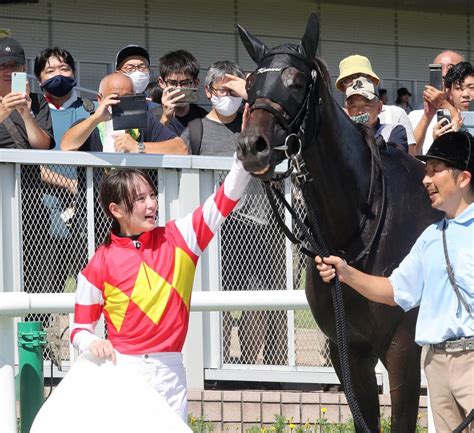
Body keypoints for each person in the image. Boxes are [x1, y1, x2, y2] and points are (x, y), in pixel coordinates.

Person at [70, 149, 251, 421]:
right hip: (124, 371)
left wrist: (243, 159)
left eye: (152, 195)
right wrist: (92, 342)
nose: (152, 204)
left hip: (170, 372)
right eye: (140, 199)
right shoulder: (99, 263)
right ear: (116, 210)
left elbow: (224, 200)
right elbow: (79, 330)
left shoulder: (181, 236)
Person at [315, 131, 473, 433]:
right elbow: (394, 290)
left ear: (464, 178)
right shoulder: (429, 237)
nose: (425, 180)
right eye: (425, 171)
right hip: (437, 366)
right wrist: (345, 273)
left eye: (436, 171)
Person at [61, 72, 187, 154]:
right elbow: (66, 146)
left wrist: (138, 147)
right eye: (114, 97)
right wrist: (95, 119)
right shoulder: (89, 125)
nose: (119, 103)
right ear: (100, 99)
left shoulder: (145, 120)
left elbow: (180, 148)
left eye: (126, 97)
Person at [335, 54, 416, 155]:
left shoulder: (395, 115)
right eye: (347, 79)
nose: (356, 82)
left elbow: (410, 159)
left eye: (362, 76)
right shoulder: (337, 123)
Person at [410, 60, 473, 155]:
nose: (465, 94)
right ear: (449, 92)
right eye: (458, 88)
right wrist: (438, 143)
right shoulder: (425, 117)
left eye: (471, 88)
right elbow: (411, 155)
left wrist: (445, 105)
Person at [0, 37, 54, 149]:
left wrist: (26, 114)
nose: (9, 72)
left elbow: (43, 147)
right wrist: (4, 110)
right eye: (3, 66)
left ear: (23, 68)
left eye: (15, 66)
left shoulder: (37, 101)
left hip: (26, 166)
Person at [345, 77, 408, 152]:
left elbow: (396, 158)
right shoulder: (342, 135)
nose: (360, 112)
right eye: (353, 106)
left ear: (379, 107)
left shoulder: (393, 130)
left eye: (366, 105)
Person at [155, 49, 208, 135]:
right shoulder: (150, 117)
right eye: (172, 83)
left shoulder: (204, 117)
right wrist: (165, 119)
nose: (179, 88)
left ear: (195, 83)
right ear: (161, 83)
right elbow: (150, 146)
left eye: (185, 83)